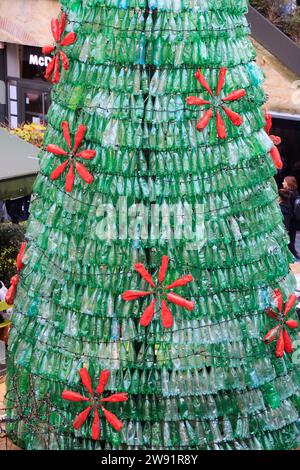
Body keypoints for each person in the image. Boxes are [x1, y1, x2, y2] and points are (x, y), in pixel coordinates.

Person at [282, 176, 300, 258]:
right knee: (292, 236)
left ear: (288, 183)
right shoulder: (296, 192)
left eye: (284, 182)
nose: (283, 183)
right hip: (295, 219)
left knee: (287, 236)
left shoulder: (288, 193)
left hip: (289, 219)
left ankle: (289, 252)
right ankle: (293, 251)